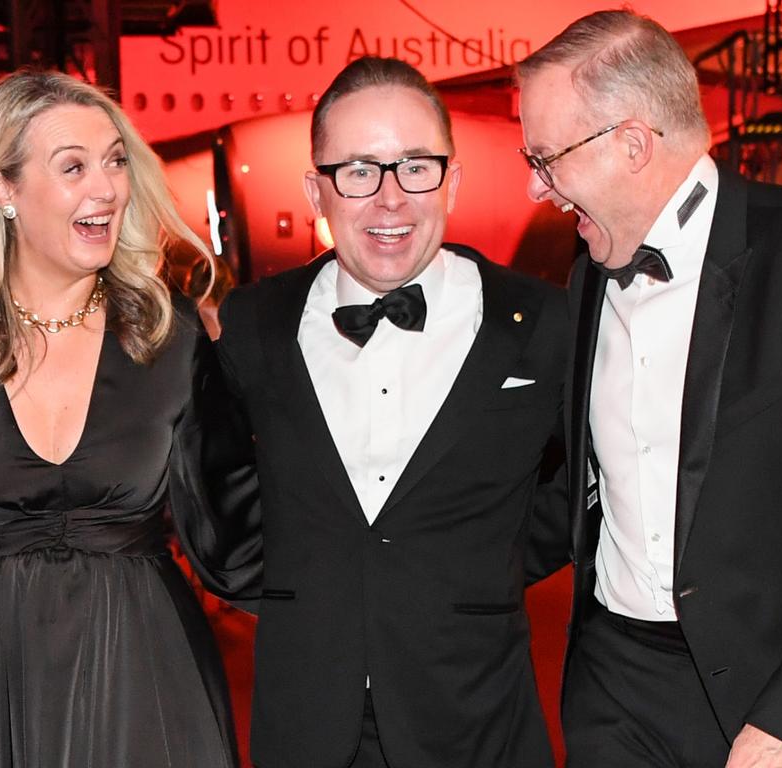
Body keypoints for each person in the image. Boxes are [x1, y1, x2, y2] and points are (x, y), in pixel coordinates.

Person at [516, 10, 782, 768]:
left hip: (776, 693)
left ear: (632, 144)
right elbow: (591, 482)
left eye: (546, 157)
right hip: (616, 691)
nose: (536, 187)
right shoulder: (586, 276)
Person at [0, 69, 260, 767]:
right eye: (73, 167)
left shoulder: (168, 335)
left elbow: (234, 534)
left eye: (116, 161)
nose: (108, 188)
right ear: (3, 189)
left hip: (146, 677)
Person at [215, 56, 567, 768]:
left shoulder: (538, 322)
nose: (389, 199)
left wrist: (470, 571)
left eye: (415, 167)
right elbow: (218, 488)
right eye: (358, 171)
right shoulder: (252, 324)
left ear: (452, 181)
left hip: (476, 716)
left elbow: (570, 496)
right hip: (305, 716)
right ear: (316, 189)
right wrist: (306, 587)